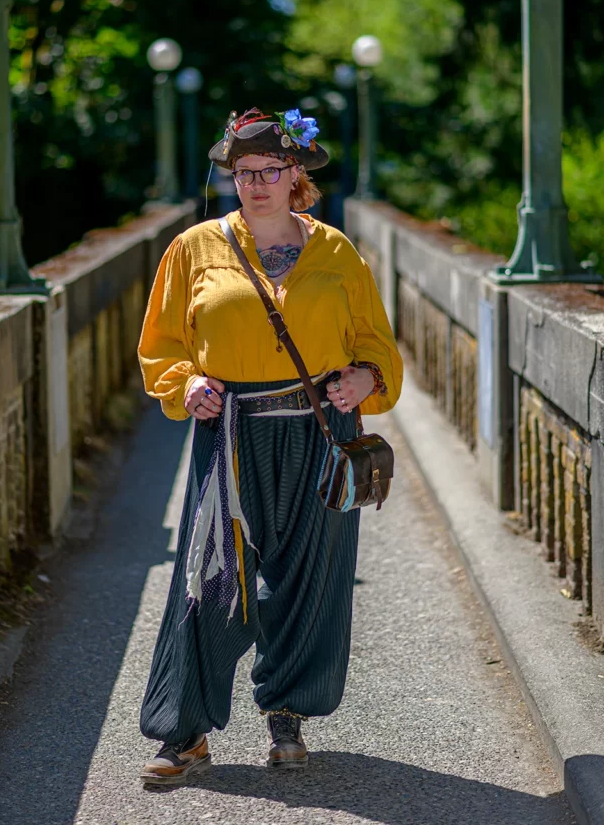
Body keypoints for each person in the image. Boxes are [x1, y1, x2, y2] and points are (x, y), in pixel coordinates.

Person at [137, 107, 403, 785]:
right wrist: (185, 382)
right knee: (210, 582)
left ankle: (286, 715)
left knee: (308, 578)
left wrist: (365, 378)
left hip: (319, 430)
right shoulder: (193, 248)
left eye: (268, 171)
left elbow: (373, 341)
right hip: (229, 432)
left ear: (295, 176)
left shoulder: (337, 251)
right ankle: (184, 732)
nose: (254, 184)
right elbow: (162, 345)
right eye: (242, 172)